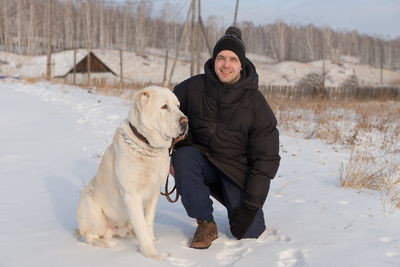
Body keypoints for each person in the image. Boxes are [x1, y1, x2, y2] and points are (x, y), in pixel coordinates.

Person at [171, 26, 280, 249]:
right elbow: (162, 116)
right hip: (200, 161)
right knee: (184, 158)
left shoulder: (257, 105)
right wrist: (167, 153)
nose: (226, 64)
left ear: (242, 64)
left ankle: (241, 211)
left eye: (232, 59)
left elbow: (266, 160)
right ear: (214, 60)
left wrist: (250, 207)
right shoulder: (192, 87)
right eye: (221, 57)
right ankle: (205, 222)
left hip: (235, 171)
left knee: (248, 232)